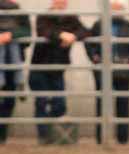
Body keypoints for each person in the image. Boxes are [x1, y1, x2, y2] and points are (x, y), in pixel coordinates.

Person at [29, 0, 89, 144]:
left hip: (58, 67)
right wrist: (61, 35)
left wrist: (74, 36)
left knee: (59, 103)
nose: (60, 3)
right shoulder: (43, 16)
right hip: (40, 66)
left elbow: (85, 31)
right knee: (41, 102)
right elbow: (44, 31)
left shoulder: (71, 17)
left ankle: (52, 132)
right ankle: (43, 136)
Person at [86, 0, 129, 144]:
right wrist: (94, 57)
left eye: (119, 8)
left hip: (122, 71)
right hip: (102, 71)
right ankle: (101, 138)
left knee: (123, 103)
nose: (116, 11)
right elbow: (89, 43)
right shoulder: (99, 25)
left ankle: (123, 139)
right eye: (114, 8)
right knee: (101, 103)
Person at [0, 0, 30, 144]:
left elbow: (27, 32)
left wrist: (10, 35)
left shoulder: (20, 12)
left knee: (9, 101)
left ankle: (2, 135)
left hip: (13, 64)